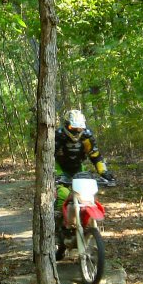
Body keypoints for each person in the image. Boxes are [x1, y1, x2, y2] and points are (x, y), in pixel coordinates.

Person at [53, 109, 114, 257]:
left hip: (78, 169)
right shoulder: (58, 136)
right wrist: (52, 175)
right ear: (67, 126)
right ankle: (57, 232)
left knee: (86, 196)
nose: (76, 131)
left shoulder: (86, 136)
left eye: (79, 128)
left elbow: (95, 155)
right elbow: (48, 155)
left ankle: (83, 224)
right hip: (59, 168)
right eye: (73, 128)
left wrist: (104, 173)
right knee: (63, 194)